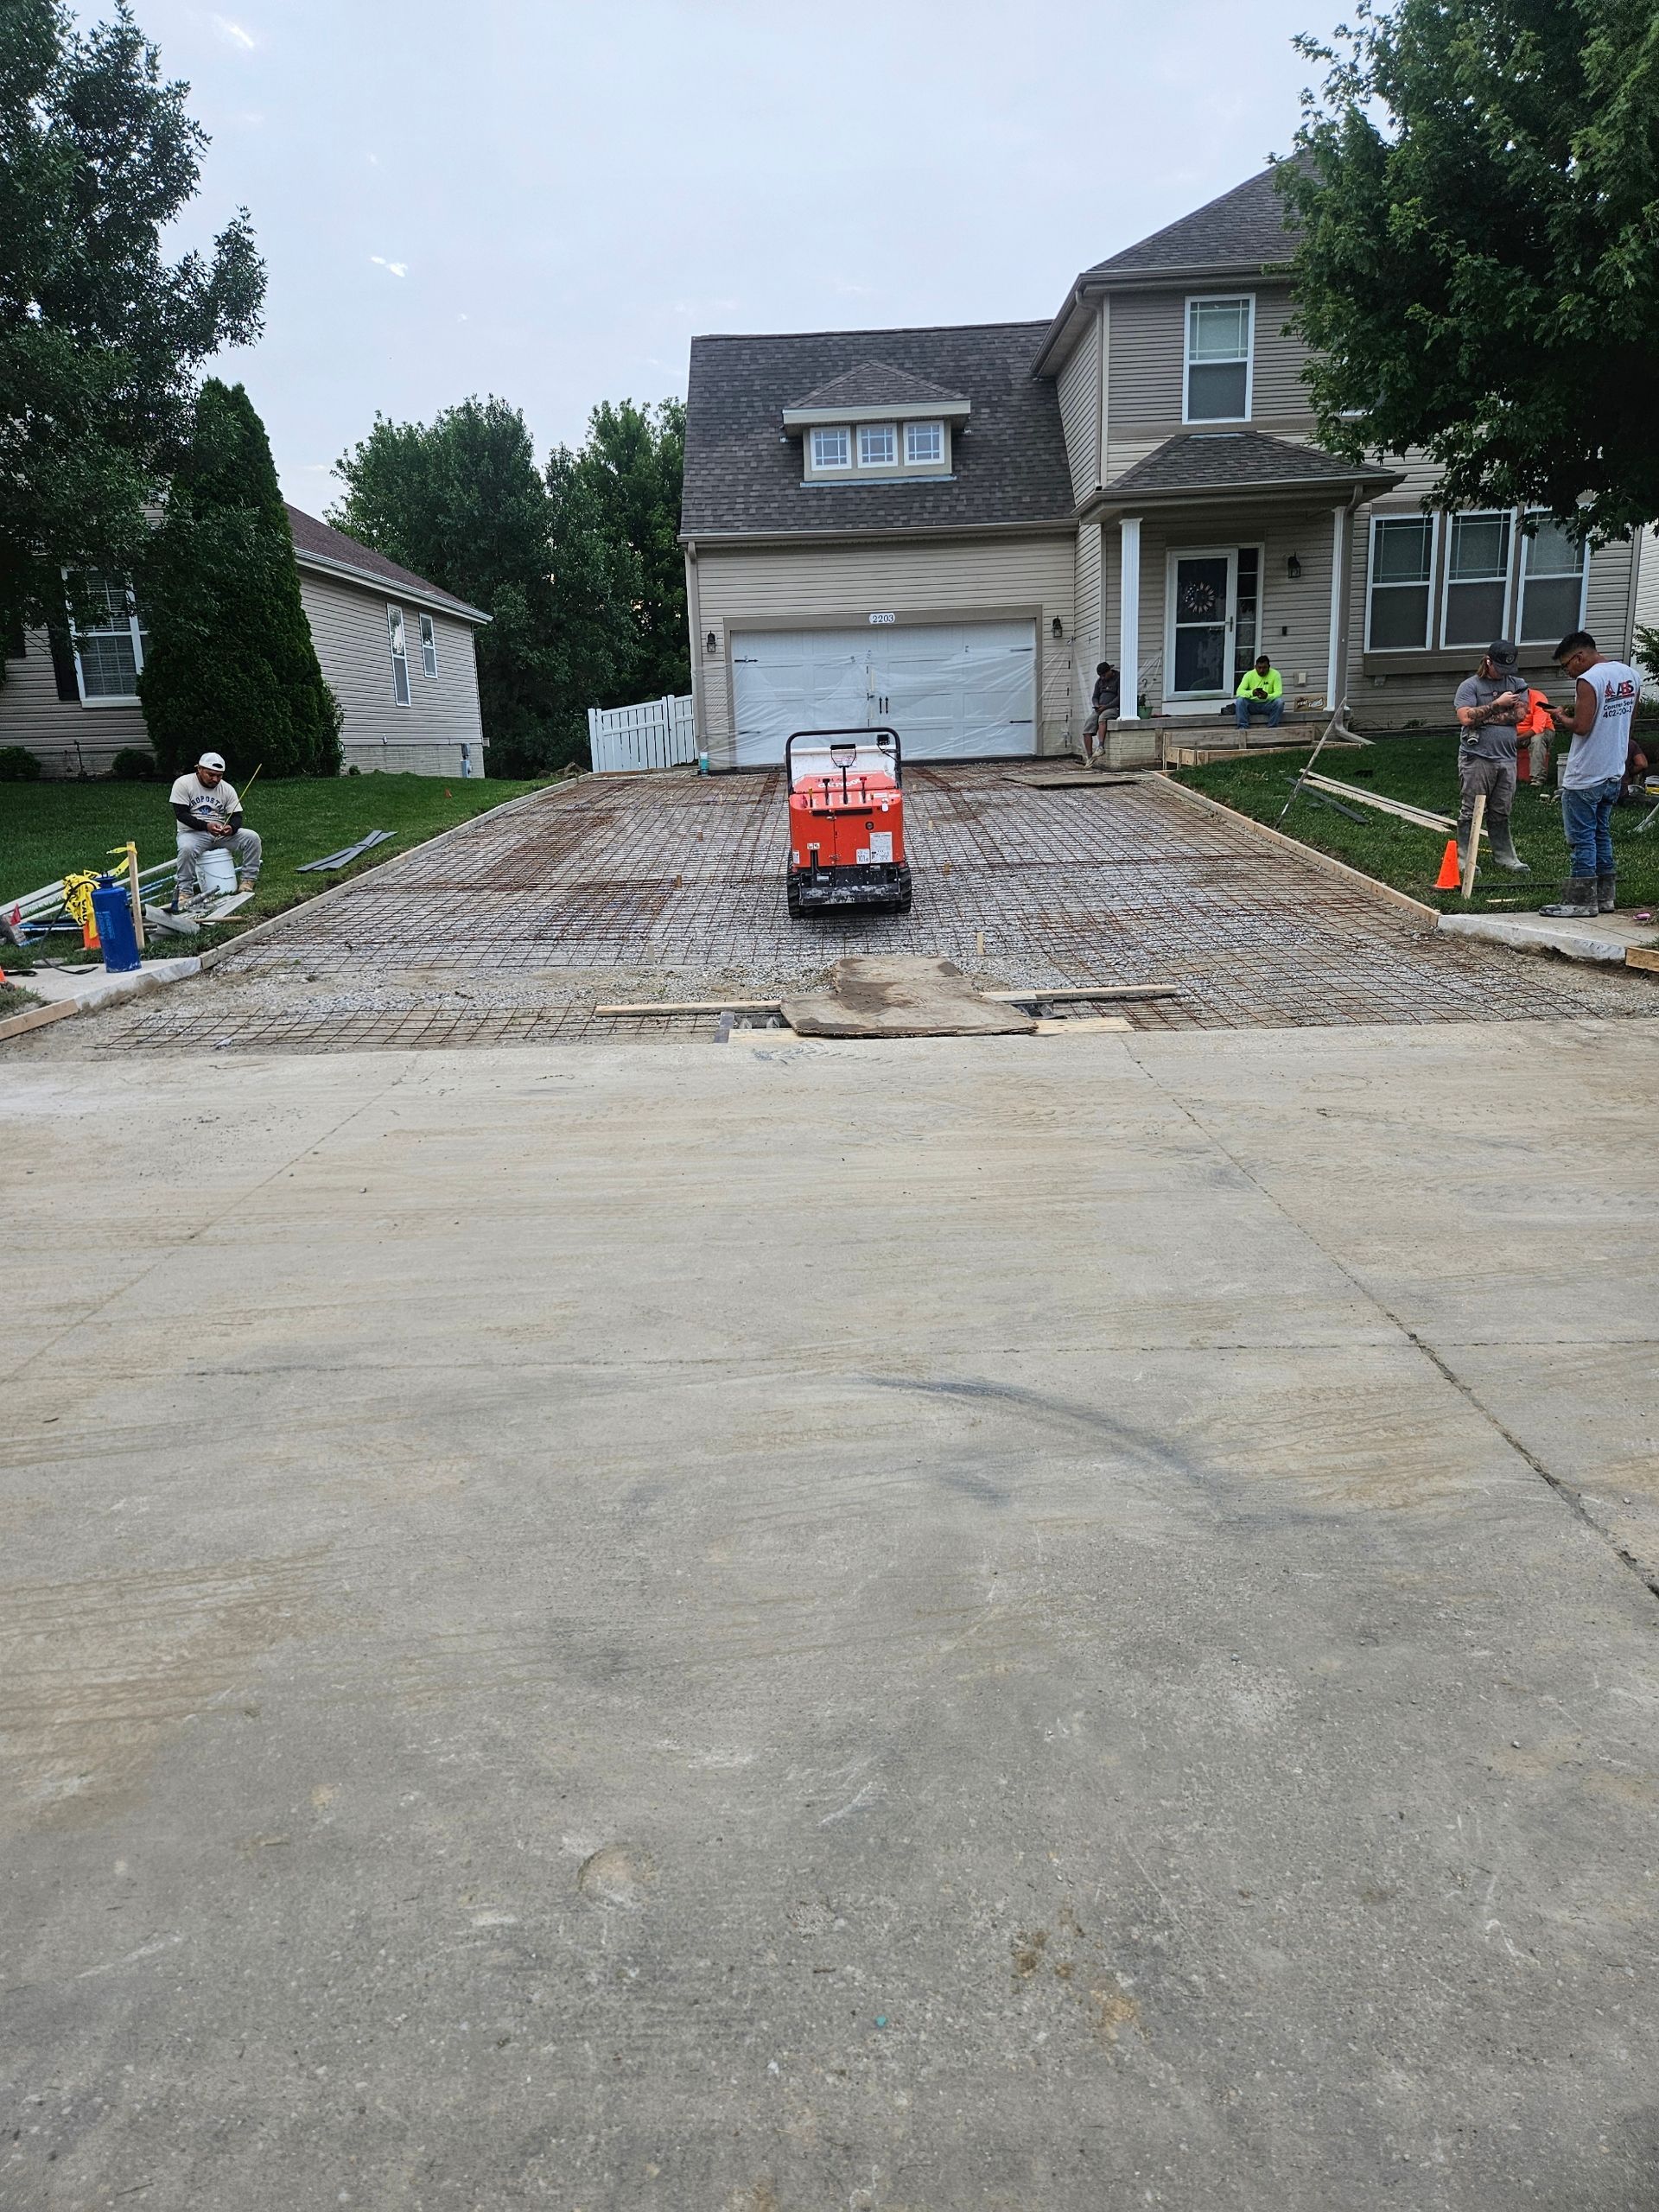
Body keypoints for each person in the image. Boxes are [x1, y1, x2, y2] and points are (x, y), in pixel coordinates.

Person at [1541, 629, 1641, 916]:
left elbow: (1583, 727)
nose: (1567, 672)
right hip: (1613, 770)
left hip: (1586, 774)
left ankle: (1580, 902)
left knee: (1582, 837)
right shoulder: (1629, 674)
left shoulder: (1589, 680)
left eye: (1566, 665)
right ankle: (1605, 898)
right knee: (1601, 833)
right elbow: (1629, 719)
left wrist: (1560, 716)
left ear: (1580, 656)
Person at [1452, 640, 1530, 875]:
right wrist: (1497, 704)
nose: (1504, 674)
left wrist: (1483, 716)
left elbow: (1519, 714)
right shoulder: (1470, 686)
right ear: (1488, 661)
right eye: (1499, 667)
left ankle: (1506, 857)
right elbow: (1466, 718)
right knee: (1471, 809)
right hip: (1477, 757)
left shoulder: (1518, 684)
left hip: (1506, 758)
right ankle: (1466, 859)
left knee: (1501, 810)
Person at [169, 751, 262, 906]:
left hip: (220, 834)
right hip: (192, 832)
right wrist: (206, 826)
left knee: (252, 838)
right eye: (211, 774)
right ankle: (185, 891)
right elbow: (181, 814)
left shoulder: (226, 789)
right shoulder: (183, 783)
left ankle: (248, 881)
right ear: (199, 769)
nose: (215, 779)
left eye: (219, 775)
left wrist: (231, 828)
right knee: (186, 849)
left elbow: (237, 816)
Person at [1234, 654, 1283, 732]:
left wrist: (1267, 696)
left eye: (1264, 668)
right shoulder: (1249, 675)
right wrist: (1252, 693)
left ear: (1269, 667)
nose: (1261, 670)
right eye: (1259, 668)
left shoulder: (1275, 674)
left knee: (1279, 702)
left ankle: (1272, 728)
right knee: (1240, 701)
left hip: (1267, 704)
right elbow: (1239, 692)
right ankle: (1243, 728)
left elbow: (1279, 693)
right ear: (1255, 667)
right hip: (1252, 705)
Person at [1083, 661, 1120, 760]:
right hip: (1100, 708)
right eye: (1100, 676)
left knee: (1102, 718)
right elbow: (1095, 696)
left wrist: (1106, 707)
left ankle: (1101, 746)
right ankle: (1089, 757)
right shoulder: (1100, 681)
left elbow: (1119, 698)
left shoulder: (1118, 678)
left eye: (1104, 675)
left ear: (1109, 671)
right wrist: (1096, 705)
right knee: (1088, 725)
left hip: (1113, 708)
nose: (1102, 678)